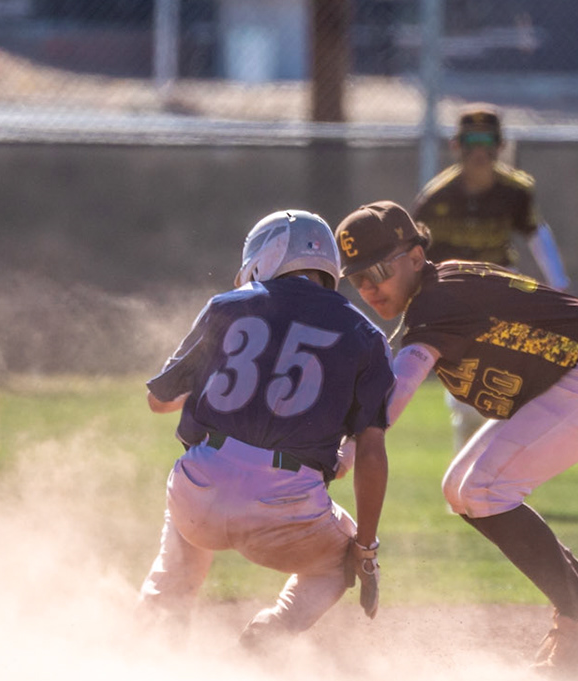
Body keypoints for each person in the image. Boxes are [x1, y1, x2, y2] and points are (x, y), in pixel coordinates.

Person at [335, 200, 578, 674]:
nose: (369, 288)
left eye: (378, 270)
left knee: (486, 490)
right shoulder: (437, 292)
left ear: (416, 257)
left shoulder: (436, 302)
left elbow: (395, 394)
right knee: (460, 489)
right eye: (357, 278)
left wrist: (341, 454)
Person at [138, 209, 391, 647]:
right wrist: (366, 552)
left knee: (189, 497)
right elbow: (369, 453)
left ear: (267, 255)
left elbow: (158, 400)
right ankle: (271, 634)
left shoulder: (226, 306)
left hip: (201, 490)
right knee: (340, 560)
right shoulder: (366, 335)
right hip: (287, 506)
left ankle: (156, 633)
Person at [412, 105, 570, 450]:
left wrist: (559, 284)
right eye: (472, 142)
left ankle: (504, 468)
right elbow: (416, 254)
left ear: (500, 145)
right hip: (455, 299)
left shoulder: (515, 191)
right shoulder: (437, 198)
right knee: (465, 399)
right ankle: (467, 469)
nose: (479, 153)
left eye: (487, 142)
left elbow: (535, 232)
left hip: (501, 290)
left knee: (508, 384)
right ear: (457, 145)